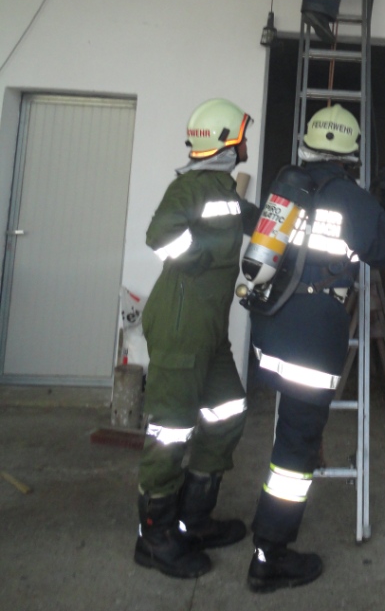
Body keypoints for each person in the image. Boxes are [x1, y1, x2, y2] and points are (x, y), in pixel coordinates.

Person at [246, 103, 385, 592]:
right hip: (313, 337)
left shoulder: (286, 187)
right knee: (294, 448)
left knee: (291, 429)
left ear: (309, 145)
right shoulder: (350, 199)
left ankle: (268, 540)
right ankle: (268, 556)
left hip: (271, 330)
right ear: (351, 154)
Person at [134, 98, 260, 578]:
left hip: (209, 328)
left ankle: (193, 519)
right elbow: (160, 234)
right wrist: (198, 259)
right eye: (241, 137)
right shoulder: (188, 188)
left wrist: (287, 219)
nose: (246, 144)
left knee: (227, 412)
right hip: (181, 325)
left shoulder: (220, 189)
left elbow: (246, 217)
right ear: (226, 143)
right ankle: (154, 537)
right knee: (171, 430)